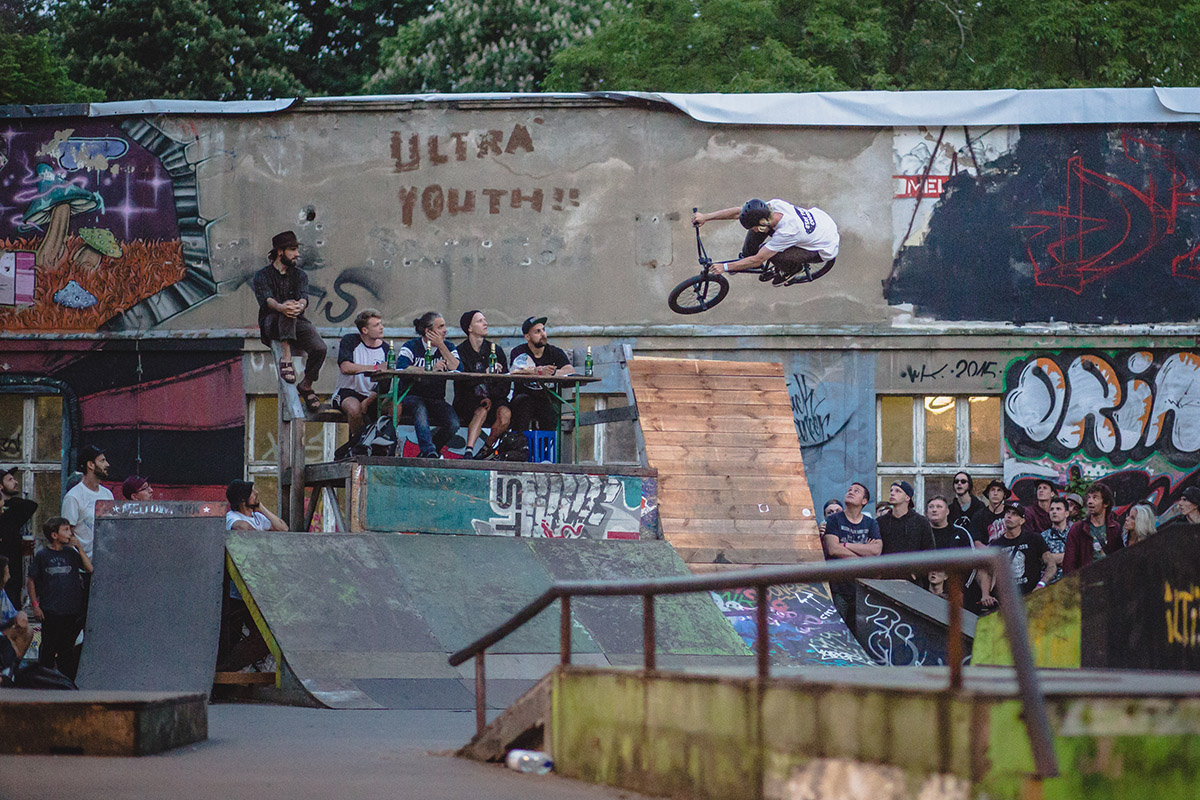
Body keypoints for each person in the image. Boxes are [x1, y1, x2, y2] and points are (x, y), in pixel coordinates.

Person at [252, 230, 327, 413]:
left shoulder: (300, 275)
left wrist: (298, 306)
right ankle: (286, 359)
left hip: (296, 319)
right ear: (280, 251)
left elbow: (303, 298)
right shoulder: (262, 276)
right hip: (271, 324)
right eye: (292, 250)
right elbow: (267, 301)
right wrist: (283, 307)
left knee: (320, 348)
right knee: (286, 310)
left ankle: (307, 385)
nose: (297, 254)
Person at [692, 198, 839, 286]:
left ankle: (792, 269)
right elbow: (740, 212)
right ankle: (745, 258)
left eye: (755, 226)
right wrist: (706, 217)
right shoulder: (773, 206)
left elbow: (758, 260)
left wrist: (725, 267)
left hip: (823, 247)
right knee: (757, 232)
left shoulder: (788, 231)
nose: (753, 230)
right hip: (821, 222)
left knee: (770, 253)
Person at [27, 516, 93, 680]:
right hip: (51, 609)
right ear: (54, 535)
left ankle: (65, 680)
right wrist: (36, 605)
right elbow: (31, 580)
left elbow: (89, 568)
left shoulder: (71, 553)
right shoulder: (43, 555)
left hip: (71, 610)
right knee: (48, 646)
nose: (69, 534)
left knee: (66, 648)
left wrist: (80, 548)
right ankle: (43, 678)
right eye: (65, 530)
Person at [396, 312, 461, 458]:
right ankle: (428, 450)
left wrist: (441, 346)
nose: (445, 330)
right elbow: (401, 368)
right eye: (441, 327)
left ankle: (430, 450)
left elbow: (457, 368)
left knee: (453, 423)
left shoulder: (448, 346)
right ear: (428, 331)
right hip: (411, 396)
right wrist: (429, 368)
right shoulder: (411, 346)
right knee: (419, 407)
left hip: (436, 399)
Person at [822, 482, 881, 636]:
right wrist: (863, 559)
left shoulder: (870, 523)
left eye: (857, 491)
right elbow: (833, 549)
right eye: (849, 490)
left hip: (861, 588)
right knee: (836, 632)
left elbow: (875, 550)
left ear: (864, 501)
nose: (851, 492)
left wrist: (846, 544)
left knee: (859, 634)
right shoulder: (834, 520)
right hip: (838, 587)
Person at [453, 310, 512, 459]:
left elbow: (505, 384)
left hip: (495, 399)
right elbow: (462, 382)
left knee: (505, 413)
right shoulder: (460, 351)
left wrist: (493, 396)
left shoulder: (495, 350)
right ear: (469, 328)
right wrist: (484, 375)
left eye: (485, 320)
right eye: (479, 321)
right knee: (482, 410)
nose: (485, 323)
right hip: (468, 401)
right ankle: (469, 451)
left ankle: (487, 448)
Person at [332, 308, 391, 439]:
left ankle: (388, 446)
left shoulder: (386, 349)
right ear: (365, 330)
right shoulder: (350, 341)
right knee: (354, 408)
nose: (381, 327)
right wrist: (375, 368)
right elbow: (345, 367)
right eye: (376, 325)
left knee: (395, 406)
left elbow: (386, 381)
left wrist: (369, 400)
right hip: (348, 391)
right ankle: (360, 445)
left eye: (381, 324)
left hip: (373, 395)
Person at [509, 316, 574, 434]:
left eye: (543, 330)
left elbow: (570, 371)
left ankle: (541, 450)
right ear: (527, 337)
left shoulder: (554, 352)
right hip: (523, 396)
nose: (543, 334)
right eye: (537, 332)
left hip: (546, 397)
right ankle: (520, 447)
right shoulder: (519, 352)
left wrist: (553, 372)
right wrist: (538, 371)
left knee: (550, 415)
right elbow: (514, 371)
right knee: (523, 406)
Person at [926, 494, 988, 614]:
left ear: (947, 511)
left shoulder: (960, 533)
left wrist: (962, 589)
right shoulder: (923, 533)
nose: (934, 509)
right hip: (926, 594)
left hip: (956, 594)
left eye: (939, 506)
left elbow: (972, 564)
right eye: (931, 507)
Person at [985, 503, 1055, 602]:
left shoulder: (1034, 539)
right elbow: (986, 572)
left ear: (1022, 521)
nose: (1009, 516)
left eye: (1014, 514)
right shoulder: (996, 545)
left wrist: (1041, 585)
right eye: (1007, 512)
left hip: (1031, 598)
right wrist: (986, 594)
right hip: (1006, 602)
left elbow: (1051, 565)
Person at [61, 444, 113, 560]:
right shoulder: (73, 497)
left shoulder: (107, 494)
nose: (107, 465)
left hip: (105, 561)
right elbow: (66, 535)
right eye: (102, 461)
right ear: (90, 465)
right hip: (82, 565)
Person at [1063, 483, 1123, 574]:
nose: (1090, 502)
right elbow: (1069, 563)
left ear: (1106, 503)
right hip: (1086, 582)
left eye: (1095, 498)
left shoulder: (1115, 528)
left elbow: (1119, 559)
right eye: (1089, 497)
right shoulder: (1078, 529)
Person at [1, 466, 37, 609]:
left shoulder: (15, 508)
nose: (15, 482)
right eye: (10, 480)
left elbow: (30, 506)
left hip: (13, 570)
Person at [878, 480, 934, 555]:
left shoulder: (921, 522)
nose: (892, 493)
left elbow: (929, 550)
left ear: (907, 497)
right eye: (891, 490)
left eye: (897, 491)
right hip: (887, 565)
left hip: (913, 565)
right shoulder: (881, 522)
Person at [0, 555, 33, 666]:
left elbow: (11, 615)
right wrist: (8, 639)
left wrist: (20, 615)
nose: (9, 576)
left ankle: (11, 669)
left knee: (27, 631)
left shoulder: (2, 592)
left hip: (4, 633)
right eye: (6, 572)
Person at [1039, 496, 1071, 584]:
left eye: (1058, 509)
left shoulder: (1074, 535)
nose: (1054, 512)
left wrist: (1053, 558)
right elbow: (1041, 560)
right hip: (1050, 586)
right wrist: (1068, 557)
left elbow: (1080, 557)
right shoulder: (1042, 537)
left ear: (1066, 513)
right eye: (1052, 509)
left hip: (1071, 584)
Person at [970, 479, 1008, 544]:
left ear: (1004, 495)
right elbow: (976, 543)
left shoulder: (1011, 514)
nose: (995, 493)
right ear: (988, 493)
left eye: (999, 490)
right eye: (993, 490)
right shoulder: (979, 516)